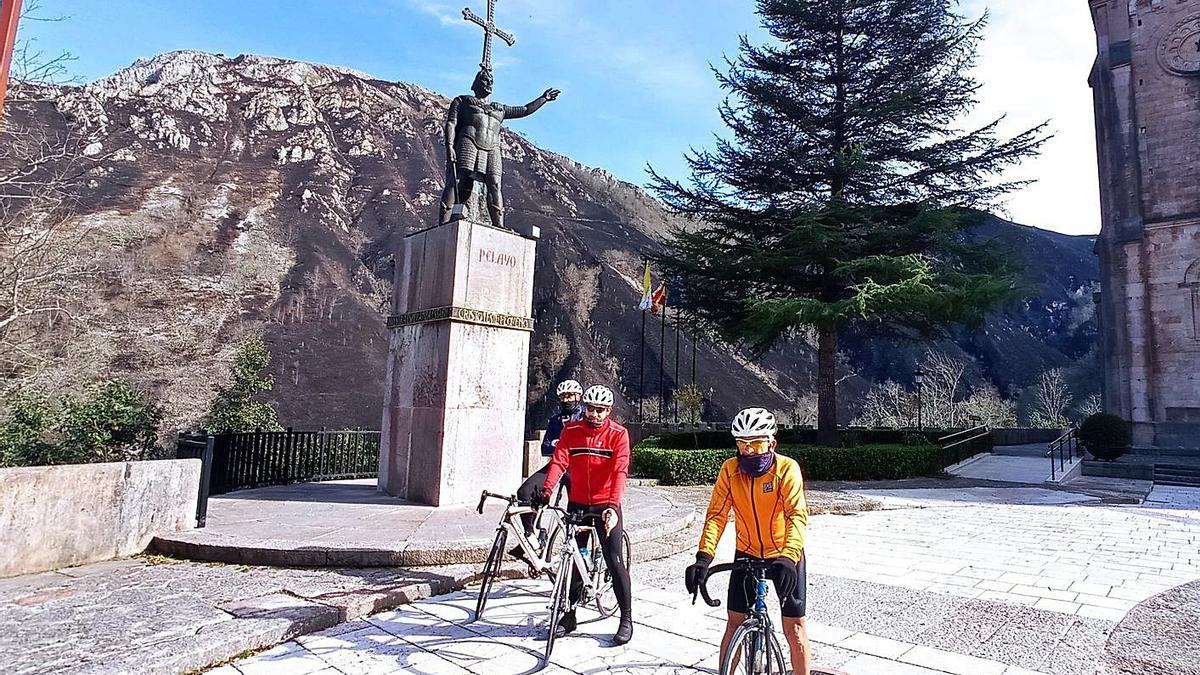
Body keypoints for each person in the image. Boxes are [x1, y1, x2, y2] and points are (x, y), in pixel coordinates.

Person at [684, 407, 811, 675]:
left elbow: (796, 515)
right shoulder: (730, 470)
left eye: (756, 443)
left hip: (784, 555)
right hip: (747, 552)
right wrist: (703, 557)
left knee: (795, 629)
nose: (750, 451)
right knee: (733, 624)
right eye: (743, 444)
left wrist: (788, 556)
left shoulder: (786, 469)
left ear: (772, 443)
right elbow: (717, 515)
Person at [535, 384, 633, 645]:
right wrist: (546, 492)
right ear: (584, 407)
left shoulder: (618, 434)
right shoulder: (571, 431)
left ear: (608, 411)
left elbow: (620, 471)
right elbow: (559, 462)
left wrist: (612, 506)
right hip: (577, 504)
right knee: (573, 562)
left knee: (614, 560)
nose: (594, 414)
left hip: (605, 506)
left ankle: (626, 618)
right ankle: (569, 615)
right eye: (590, 408)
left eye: (600, 410)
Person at [512, 380, 583, 548]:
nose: (566, 400)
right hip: (557, 464)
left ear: (578, 397)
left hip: (579, 468)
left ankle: (583, 546)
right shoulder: (555, 421)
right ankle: (532, 533)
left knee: (579, 506)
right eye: (563, 397)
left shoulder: (585, 418)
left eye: (570, 396)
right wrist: (562, 445)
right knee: (525, 491)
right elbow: (546, 447)